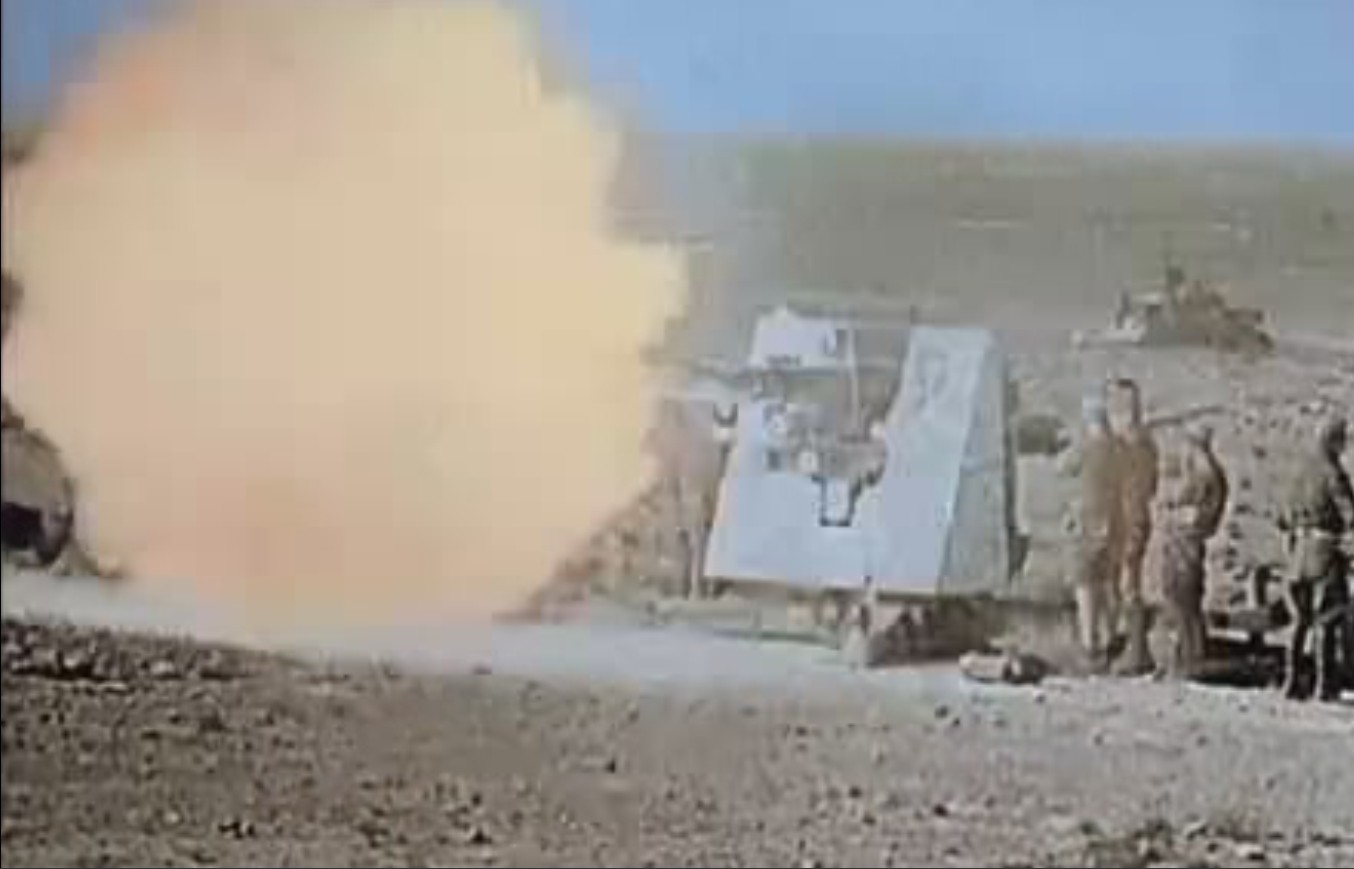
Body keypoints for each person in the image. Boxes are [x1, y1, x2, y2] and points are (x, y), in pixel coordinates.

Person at [1279, 416, 1354, 701]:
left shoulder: (1299, 472)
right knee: (1327, 620)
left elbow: (1283, 516)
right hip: (1324, 553)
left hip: (1298, 553)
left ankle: (1291, 682)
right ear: (1333, 441)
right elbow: (1350, 516)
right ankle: (1324, 687)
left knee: (1298, 621)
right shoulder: (1333, 474)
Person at [1158, 423, 1229, 678]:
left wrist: (1174, 511)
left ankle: (1189, 659)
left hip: (1186, 541)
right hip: (1186, 541)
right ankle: (1186, 656)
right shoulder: (1204, 471)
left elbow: (1192, 510)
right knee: (1184, 600)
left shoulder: (1203, 473)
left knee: (1183, 598)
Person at [1062, 389, 1121, 670]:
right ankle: (1111, 642)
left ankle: (1090, 647)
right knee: (1108, 585)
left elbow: (1062, 467)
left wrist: (1071, 440)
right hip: (1113, 523)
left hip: (1087, 525)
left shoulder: (1085, 448)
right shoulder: (1116, 447)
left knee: (1085, 587)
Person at [1109, 378, 1160, 675]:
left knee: (1129, 584)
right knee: (1127, 582)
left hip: (1130, 518)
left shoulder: (1133, 446)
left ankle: (1137, 651)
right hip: (1134, 515)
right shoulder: (1144, 444)